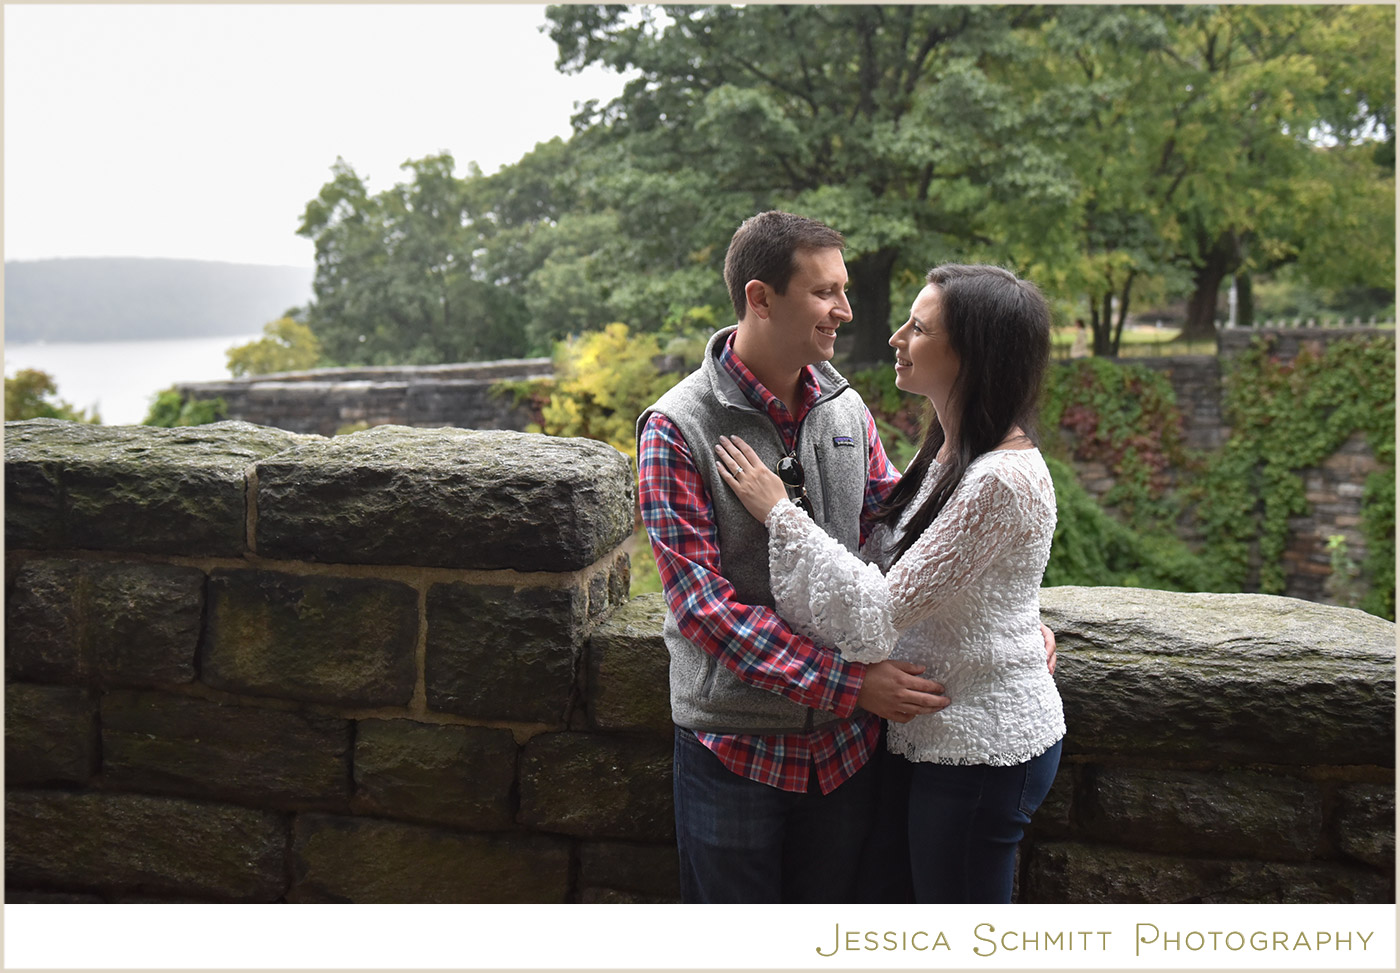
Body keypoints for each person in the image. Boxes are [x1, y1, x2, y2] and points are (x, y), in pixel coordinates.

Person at [637, 213, 1054, 904]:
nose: (847, 310)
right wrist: (847, 683)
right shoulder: (678, 428)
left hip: (846, 756)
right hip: (739, 751)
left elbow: (911, 529)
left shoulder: (845, 408)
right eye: (825, 291)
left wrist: (1012, 619)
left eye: (845, 288)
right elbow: (705, 610)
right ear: (761, 298)